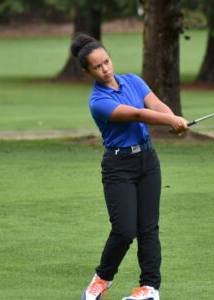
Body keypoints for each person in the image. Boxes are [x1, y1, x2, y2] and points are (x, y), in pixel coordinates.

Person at [72, 34, 189, 300]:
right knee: (124, 230)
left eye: (107, 61)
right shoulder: (98, 101)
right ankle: (102, 279)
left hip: (147, 160)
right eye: (97, 67)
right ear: (87, 72)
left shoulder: (133, 81)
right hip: (118, 166)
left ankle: (149, 288)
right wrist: (170, 121)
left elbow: (155, 104)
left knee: (149, 228)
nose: (105, 69)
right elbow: (137, 114)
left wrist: (172, 119)